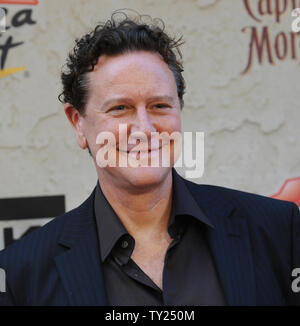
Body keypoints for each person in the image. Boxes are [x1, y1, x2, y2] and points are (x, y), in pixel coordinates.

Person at [0, 11, 299, 306]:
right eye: (120, 108)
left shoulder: (278, 231)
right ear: (78, 122)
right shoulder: (20, 274)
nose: (144, 129)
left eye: (159, 105)